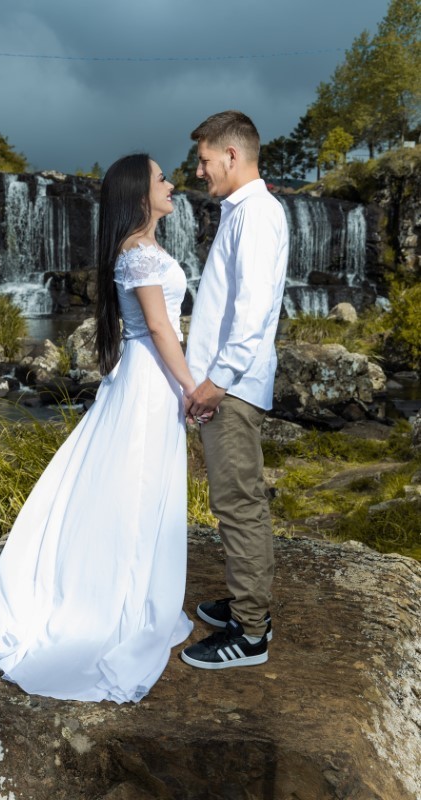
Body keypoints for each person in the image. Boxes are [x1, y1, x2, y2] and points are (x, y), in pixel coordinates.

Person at [0, 153, 196, 703]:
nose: (172, 184)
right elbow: (159, 327)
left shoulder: (140, 248)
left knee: (143, 485)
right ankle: (119, 605)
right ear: (138, 193)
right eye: (161, 178)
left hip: (149, 377)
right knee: (137, 487)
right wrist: (192, 386)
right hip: (150, 380)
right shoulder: (138, 253)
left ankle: (140, 595)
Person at [181, 110, 289, 670]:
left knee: (238, 504)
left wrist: (216, 382)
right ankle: (247, 605)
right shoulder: (242, 212)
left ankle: (250, 634)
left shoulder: (257, 215)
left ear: (231, 154)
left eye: (203, 160)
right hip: (229, 384)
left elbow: (250, 312)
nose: (198, 171)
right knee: (234, 500)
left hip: (232, 388)